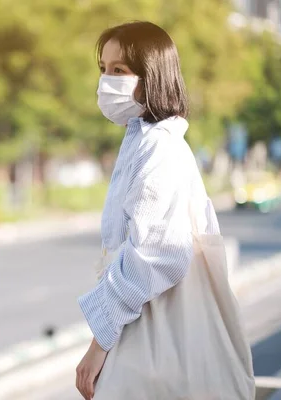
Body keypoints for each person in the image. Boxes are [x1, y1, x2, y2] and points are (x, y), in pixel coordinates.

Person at [75, 21, 231, 399]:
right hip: (143, 331)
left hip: (151, 340)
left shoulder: (160, 149)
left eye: (119, 71)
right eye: (103, 69)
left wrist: (99, 343)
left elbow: (158, 253)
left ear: (151, 77)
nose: (106, 81)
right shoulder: (142, 140)